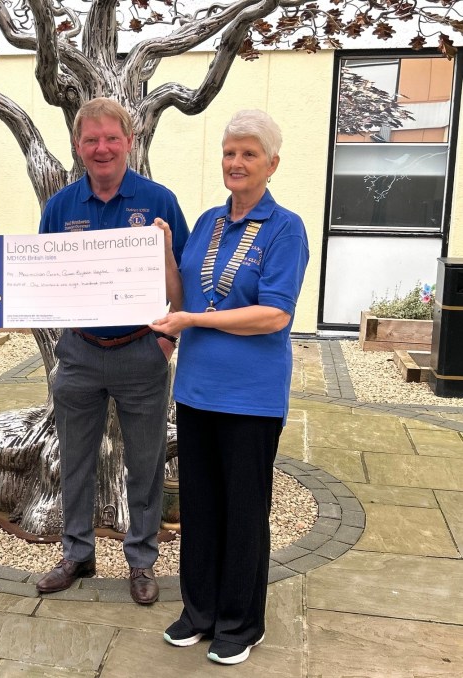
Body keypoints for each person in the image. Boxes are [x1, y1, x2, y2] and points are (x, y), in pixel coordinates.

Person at [150, 109, 309, 664]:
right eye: (229, 152)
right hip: (196, 391)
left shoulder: (285, 228)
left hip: (251, 397)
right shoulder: (210, 223)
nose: (236, 163)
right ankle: (199, 612)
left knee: (243, 511)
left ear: (272, 164)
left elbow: (273, 316)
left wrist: (193, 322)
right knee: (200, 505)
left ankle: (242, 622)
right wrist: (166, 253)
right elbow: (182, 295)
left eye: (248, 153)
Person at [35, 97, 189, 604]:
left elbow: (182, 285)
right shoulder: (59, 207)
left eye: (111, 138)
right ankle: (77, 554)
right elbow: (44, 281)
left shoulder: (160, 201)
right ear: (78, 147)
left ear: (130, 141)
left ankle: (141, 559)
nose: (102, 148)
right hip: (79, 351)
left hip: (141, 353)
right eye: (91, 139)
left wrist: (166, 339)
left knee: (143, 464)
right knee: (74, 458)